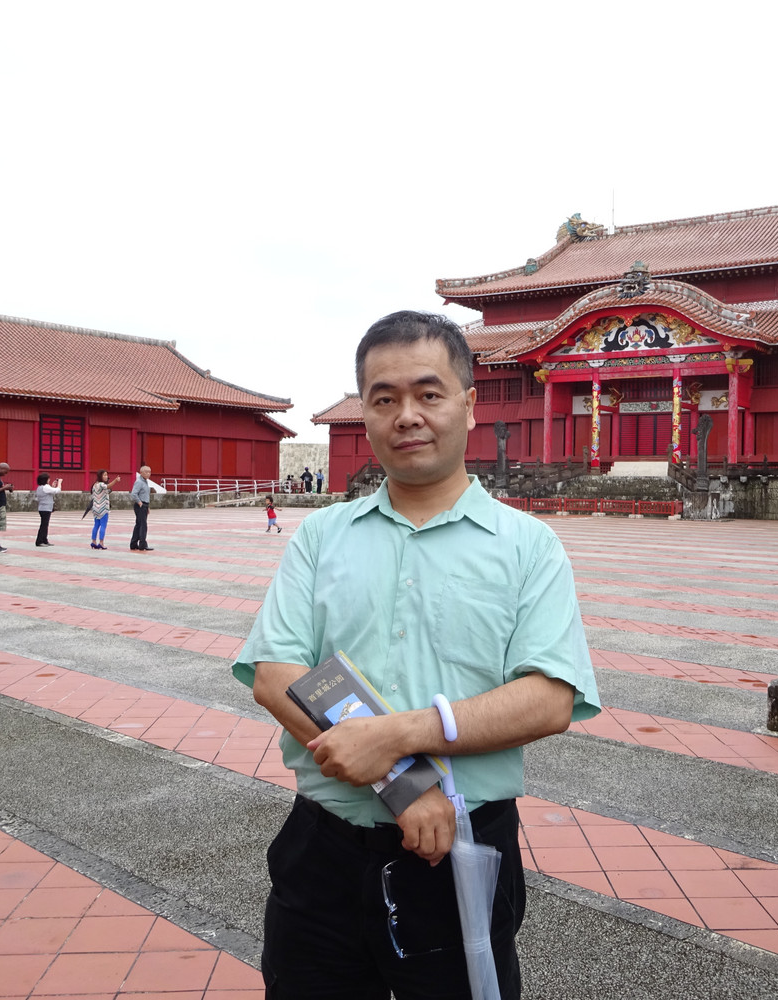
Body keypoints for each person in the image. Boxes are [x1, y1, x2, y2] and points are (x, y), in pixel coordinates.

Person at [234, 310, 599, 999]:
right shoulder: (320, 538)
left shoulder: (528, 547)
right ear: (365, 413)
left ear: (468, 403)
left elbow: (550, 697)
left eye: (428, 394)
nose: (407, 416)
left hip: (460, 848)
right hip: (323, 849)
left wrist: (399, 738)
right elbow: (276, 674)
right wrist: (402, 784)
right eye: (384, 399)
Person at [89, 470, 120, 549]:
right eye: (104, 475)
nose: (106, 477)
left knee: (96, 525)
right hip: (103, 508)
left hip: (95, 508)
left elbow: (107, 490)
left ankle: (93, 541)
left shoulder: (95, 485)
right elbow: (108, 486)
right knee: (103, 525)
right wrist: (115, 481)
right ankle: (101, 542)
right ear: (100, 476)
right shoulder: (101, 484)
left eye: (107, 475)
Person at [33, 473, 63, 546]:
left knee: (45, 525)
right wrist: (59, 483)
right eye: (48, 479)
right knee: (44, 525)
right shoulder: (45, 487)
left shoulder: (40, 487)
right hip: (46, 508)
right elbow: (57, 490)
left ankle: (44, 540)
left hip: (42, 508)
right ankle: (39, 541)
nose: (49, 480)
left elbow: (49, 493)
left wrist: (52, 486)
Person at [129, 465, 154, 551]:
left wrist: (147, 506)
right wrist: (140, 503)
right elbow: (134, 494)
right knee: (143, 525)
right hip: (140, 505)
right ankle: (142, 544)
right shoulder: (139, 482)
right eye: (146, 472)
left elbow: (145, 495)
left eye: (149, 472)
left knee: (139, 524)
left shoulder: (145, 482)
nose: (148, 474)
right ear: (141, 473)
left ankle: (133, 544)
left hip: (144, 504)